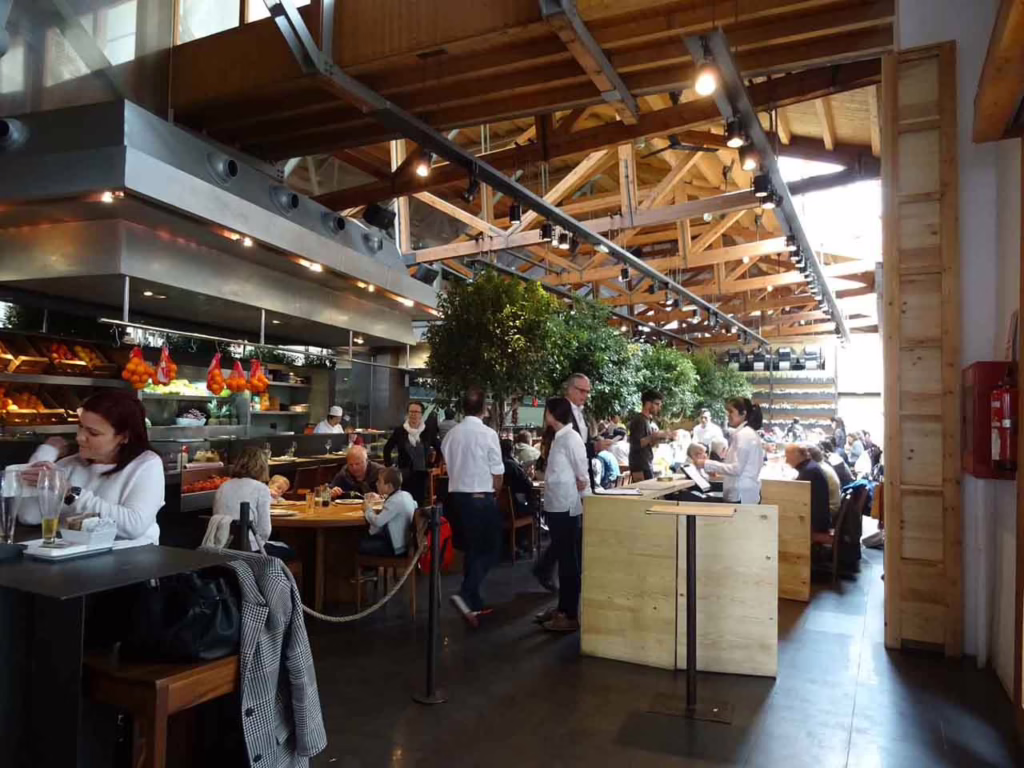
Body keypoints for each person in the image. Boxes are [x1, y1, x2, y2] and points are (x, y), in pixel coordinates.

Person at [23, 390, 165, 544]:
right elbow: (28, 516)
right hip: (72, 556)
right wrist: (44, 458)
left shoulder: (146, 464)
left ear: (124, 437)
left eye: (93, 433)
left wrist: (70, 494)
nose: (80, 437)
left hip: (131, 559)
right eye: (80, 427)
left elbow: (133, 526)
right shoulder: (68, 465)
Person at [442, 387, 504, 626]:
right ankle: (466, 593)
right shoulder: (488, 434)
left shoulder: (451, 435)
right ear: (484, 408)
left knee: (472, 549)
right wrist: (494, 493)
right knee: (491, 548)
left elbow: (448, 465)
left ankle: (474, 605)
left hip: (456, 500)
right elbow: (497, 473)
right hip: (480, 497)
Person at [538, 397, 589, 633]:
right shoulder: (559, 438)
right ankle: (562, 609)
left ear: (551, 413)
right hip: (556, 506)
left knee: (569, 563)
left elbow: (582, 473)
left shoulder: (571, 438)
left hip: (566, 508)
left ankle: (569, 614)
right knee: (565, 561)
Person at [213, 446, 294, 559]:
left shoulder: (223, 486)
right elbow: (265, 531)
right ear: (263, 467)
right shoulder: (261, 488)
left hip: (221, 549)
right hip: (250, 551)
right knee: (292, 551)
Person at [694, 397, 765, 504]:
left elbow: (737, 469)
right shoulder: (747, 433)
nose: (728, 415)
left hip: (741, 495)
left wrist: (706, 464)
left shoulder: (744, 434)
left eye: (731, 411)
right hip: (744, 494)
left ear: (743, 413)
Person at [383, 401, 438, 507]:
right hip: (403, 475)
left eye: (416, 412)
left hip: (421, 476)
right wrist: (389, 467)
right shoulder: (400, 431)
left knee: (419, 505)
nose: (413, 414)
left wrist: (433, 464)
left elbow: (439, 448)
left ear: (421, 414)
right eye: (411, 411)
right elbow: (387, 449)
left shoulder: (428, 431)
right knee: (404, 504)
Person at [357, 466, 416, 557]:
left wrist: (367, 509)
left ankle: (368, 570)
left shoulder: (394, 501)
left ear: (389, 486)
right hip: (404, 543)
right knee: (365, 538)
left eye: (379, 482)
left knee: (356, 544)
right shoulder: (406, 495)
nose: (376, 484)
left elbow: (378, 522)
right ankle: (370, 569)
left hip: (396, 548)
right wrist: (383, 498)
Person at [785, 443, 831, 534]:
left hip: (815, 524)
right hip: (821, 518)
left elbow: (796, 499)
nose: (786, 461)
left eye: (788, 457)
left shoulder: (808, 472)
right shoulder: (810, 466)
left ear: (797, 456)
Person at [628, 391, 671, 481]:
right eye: (657, 404)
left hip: (646, 464)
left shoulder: (647, 420)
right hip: (639, 466)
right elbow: (637, 444)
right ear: (648, 403)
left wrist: (658, 438)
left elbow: (647, 444)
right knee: (644, 493)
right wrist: (655, 435)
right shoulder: (639, 420)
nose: (659, 408)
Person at [807, 445, 841, 523]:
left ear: (809, 457)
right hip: (833, 505)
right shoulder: (823, 466)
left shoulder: (817, 470)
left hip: (829, 509)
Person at [501, 438, 533, 518]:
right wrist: (529, 476)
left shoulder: (496, 464)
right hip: (517, 507)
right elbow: (528, 484)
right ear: (512, 451)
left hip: (500, 511)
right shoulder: (513, 465)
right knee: (534, 503)